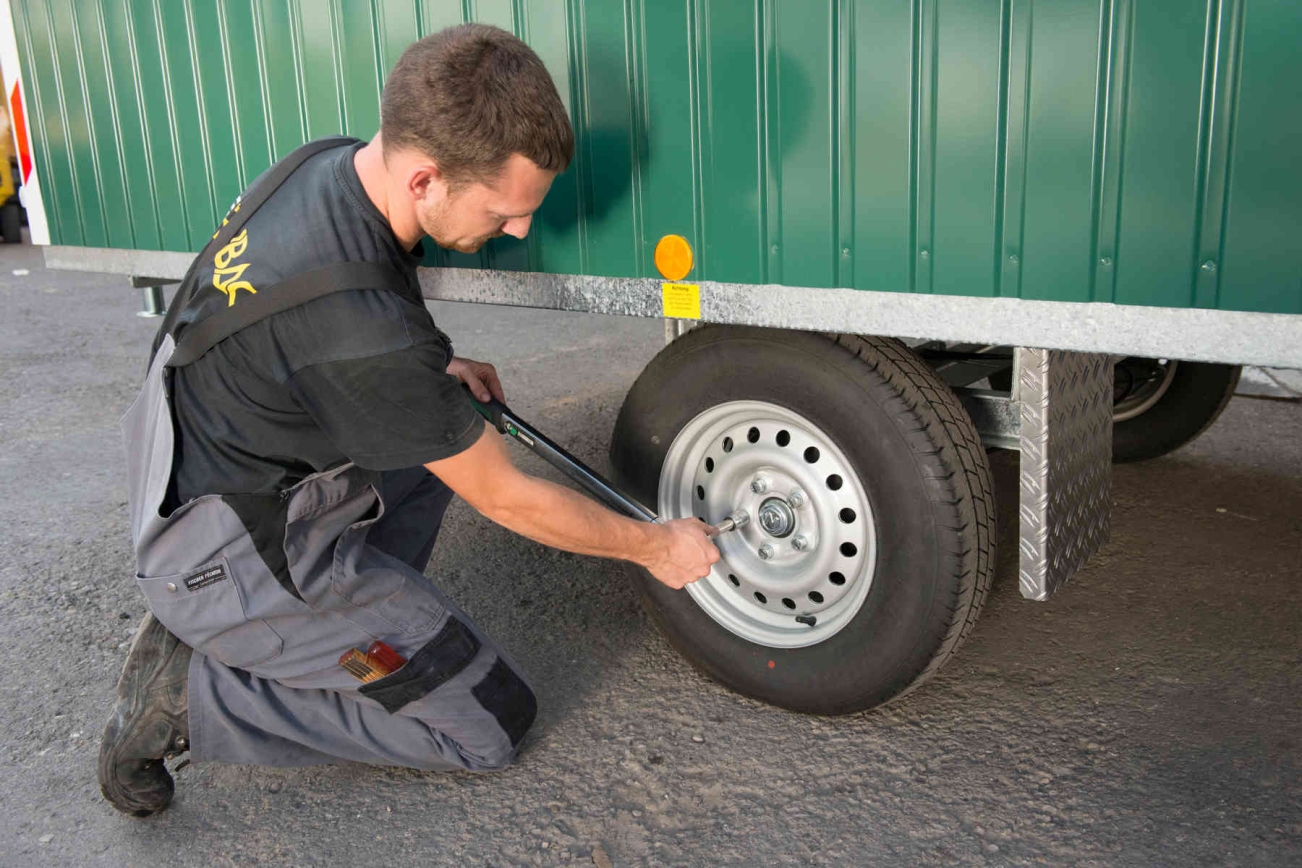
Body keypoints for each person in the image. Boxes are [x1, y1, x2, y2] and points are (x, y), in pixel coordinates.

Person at [97, 23, 719, 818]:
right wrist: (656, 546)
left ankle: (322, 631)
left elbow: (321, 335)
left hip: (214, 469)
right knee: (487, 722)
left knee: (450, 422)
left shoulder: (332, 165)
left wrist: (430, 372)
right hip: (234, 554)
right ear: (425, 178)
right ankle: (196, 690)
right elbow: (509, 498)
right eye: (505, 211)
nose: (523, 229)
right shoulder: (361, 334)